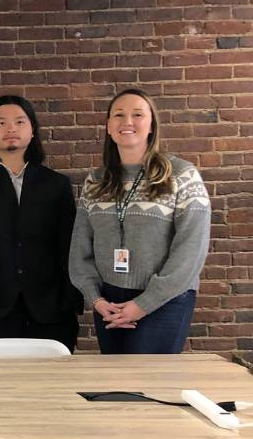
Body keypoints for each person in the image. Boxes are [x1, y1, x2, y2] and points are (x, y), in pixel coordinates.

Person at [69, 88, 211, 354]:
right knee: (116, 388)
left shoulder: (182, 175)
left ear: (151, 125)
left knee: (150, 388)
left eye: (137, 114)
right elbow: (80, 247)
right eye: (118, 115)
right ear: (109, 127)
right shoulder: (96, 181)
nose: (127, 122)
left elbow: (190, 252)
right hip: (108, 302)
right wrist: (96, 299)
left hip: (165, 300)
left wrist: (143, 304)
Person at [0, 95, 81, 351]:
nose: (11, 128)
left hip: (50, 309)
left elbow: (69, 245)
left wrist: (70, 301)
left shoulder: (56, 185)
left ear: (32, 130)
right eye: (1, 123)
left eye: (19, 122)